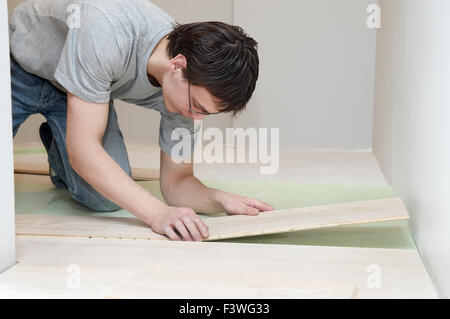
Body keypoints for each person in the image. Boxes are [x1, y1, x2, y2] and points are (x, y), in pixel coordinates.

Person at [9, 0, 274, 241]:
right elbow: (83, 150)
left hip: (81, 93)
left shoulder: (187, 97)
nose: (196, 118)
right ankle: (67, 138)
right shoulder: (107, 28)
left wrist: (219, 200)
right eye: (196, 106)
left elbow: (177, 182)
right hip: (18, 65)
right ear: (178, 66)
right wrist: (157, 213)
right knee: (85, 156)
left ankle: (58, 142)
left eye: (206, 113)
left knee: (104, 197)